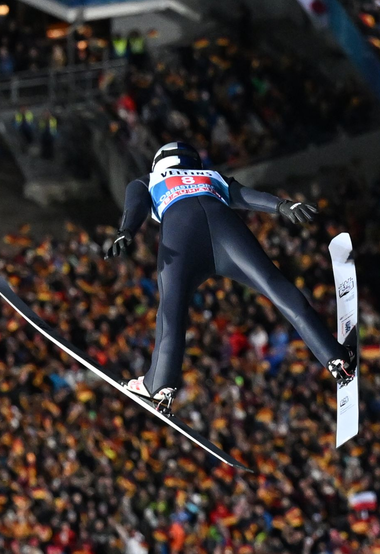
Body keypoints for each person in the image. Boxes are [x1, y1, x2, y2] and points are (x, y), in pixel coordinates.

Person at [105, 141, 357, 402]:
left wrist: (126, 230)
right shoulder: (209, 175)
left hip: (181, 236)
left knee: (172, 309)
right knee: (275, 286)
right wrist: (282, 205)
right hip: (226, 230)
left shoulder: (148, 180)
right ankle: (335, 357)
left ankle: (159, 383)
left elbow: (136, 204)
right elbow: (245, 195)